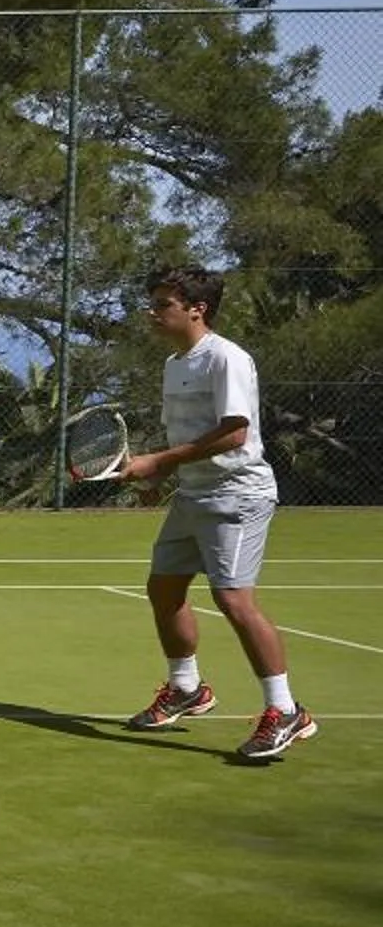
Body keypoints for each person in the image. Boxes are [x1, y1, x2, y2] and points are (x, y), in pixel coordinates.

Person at [118, 266, 312, 762]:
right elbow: (185, 437)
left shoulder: (226, 359)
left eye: (163, 304)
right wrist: (159, 478)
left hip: (238, 494)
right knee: (164, 588)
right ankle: (186, 688)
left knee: (233, 600)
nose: (153, 312)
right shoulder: (174, 363)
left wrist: (159, 462)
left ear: (195, 309)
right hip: (192, 495)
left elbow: (234, 434)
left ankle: (286, 710)